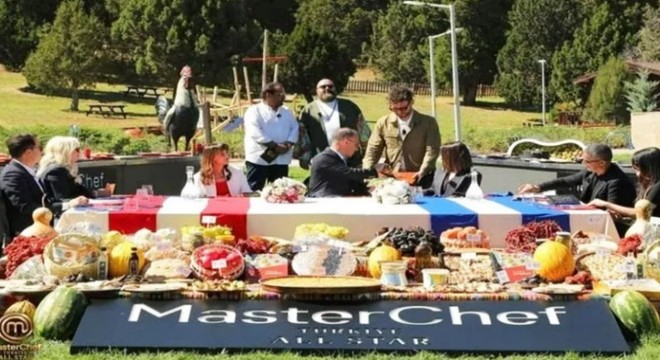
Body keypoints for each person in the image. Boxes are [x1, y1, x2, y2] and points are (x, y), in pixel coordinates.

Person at [518, 144, 636, 236]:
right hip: (586, 216)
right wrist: (538, 187)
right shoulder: (590, 172)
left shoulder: (617, 181)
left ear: (602, 163)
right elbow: (566, 181)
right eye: (583, 160)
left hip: (604, 227)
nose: (584, 164)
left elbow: (611, 214)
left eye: (587, 161)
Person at [362, 86, 441, 189]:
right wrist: (367, 171)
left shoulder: (428, 122)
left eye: (404, 108)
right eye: (395, 109)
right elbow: (373, 149)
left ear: (411, 102)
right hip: (392, 178)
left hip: (421, 178)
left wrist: (423, 170)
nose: (400, 112)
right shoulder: (383, 123)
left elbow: (432, 150)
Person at [297, 78, 370, 169]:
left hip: (350, 160)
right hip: (320, 160)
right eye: (323, 87)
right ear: (316, 90)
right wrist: (305, 158)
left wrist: (366, 155)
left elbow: (364, 133)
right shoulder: (308, 110)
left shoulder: (349, 107)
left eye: (330, 86)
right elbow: (303, 137)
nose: (327, 88)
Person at [243, 82, 299, 191]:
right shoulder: (254, 110)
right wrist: (274, 146)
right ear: (268, 95)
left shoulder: (287, 111)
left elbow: (294, 128)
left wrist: (287, 144)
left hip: (281, 159)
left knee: (281, 191)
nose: (283, 97)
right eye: (280, 94)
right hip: (259, 159)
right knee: (254, 190)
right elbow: (254, 131)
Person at [308, 128, 387, 197]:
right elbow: (349, 173)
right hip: (323, 202)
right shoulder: (324, 158)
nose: (356, 149)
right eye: (356, 145)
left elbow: (349, 180)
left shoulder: (340, 159)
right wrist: (376, 171)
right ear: (346, 142)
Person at [588, 147, 660, 218]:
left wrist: (606, 204)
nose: (637, 174)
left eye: (638, 169)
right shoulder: (649, 185)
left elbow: (640, 212)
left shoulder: (657, 187)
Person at [0, 134, 48, 236]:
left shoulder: (25, 170)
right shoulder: (12, 174)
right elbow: (24, 206)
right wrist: (60, 207)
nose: (42, 152)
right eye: (39, 148)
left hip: (39, 227)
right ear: (28, 152)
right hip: (26, 233)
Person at [37, 136, 92, 215]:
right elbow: (62, 198)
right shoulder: (56, 170)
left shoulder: (55, 168)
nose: (79, 152)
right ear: (65, 151)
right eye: (76, 149)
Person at [162, 65, 200, 132]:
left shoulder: (191, 84)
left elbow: (193, 95)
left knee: (197, 112)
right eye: (186, 75)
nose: (188, 77)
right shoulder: (181, 82)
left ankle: (195, 126)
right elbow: (180, 95)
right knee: (171, 113)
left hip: (190, 105)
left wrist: (195, 101)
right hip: (180, 103)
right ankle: (165, 127)